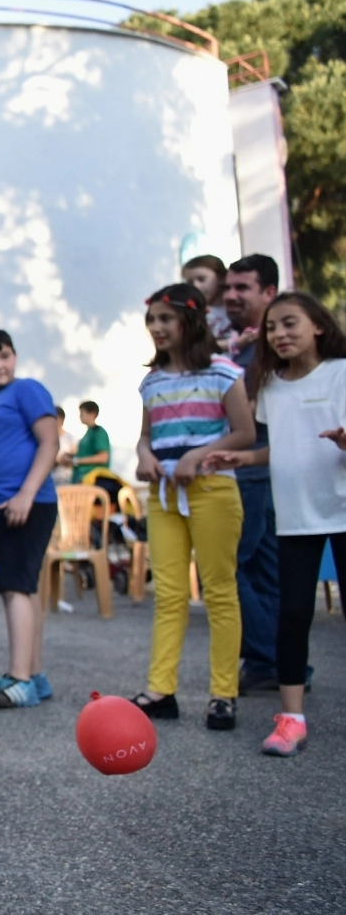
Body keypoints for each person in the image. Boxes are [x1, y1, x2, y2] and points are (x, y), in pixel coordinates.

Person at [205, 292, 346, 756]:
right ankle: (291, 719)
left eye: (290, 324)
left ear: (318, 327)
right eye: (271, 328)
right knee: (293, 616)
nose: (279, 334)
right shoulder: (269, 386)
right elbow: (282, 445)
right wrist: (243, 456)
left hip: (342, 509)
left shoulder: (341, 373)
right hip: (296, 516)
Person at [131, 283, 254, 730]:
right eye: (152, 321)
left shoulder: (223, 371)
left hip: (213, 491)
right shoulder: (152, 380)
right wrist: (144, 456)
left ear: (192, 320)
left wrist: (196, 456)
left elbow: (244, 432)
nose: (157, 328)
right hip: (163, 496)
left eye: (166, 319)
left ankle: (223, 693)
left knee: (219, 591)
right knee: (169, 595)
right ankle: (161, 689)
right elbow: (147, 436)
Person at [0, 330, 60, 708]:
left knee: (15, 588)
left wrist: (25, 493)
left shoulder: (27, 390)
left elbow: (49, 442)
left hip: (25, 503)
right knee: (22, 586)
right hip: (3, 505)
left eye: (3, 356)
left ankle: (19, 679)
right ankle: (34, 676)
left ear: (15, 356)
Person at [223, 254, 283, 693]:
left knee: (226, 566)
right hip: (253, 464)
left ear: (269, 293)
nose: (231, 295)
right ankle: (275, 661)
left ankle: (268, 656)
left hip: (254, 462)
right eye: (229, 287)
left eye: (242, 288)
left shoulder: (269, 344)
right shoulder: (236, 343)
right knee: (262, 568)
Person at [182, 254, 232, 349]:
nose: (196, 286)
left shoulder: (236, 307)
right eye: (190, 283)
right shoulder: (194, 315)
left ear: (221, 278)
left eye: (201, 279)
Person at [69, 401, 110, 483]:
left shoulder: (98, 432)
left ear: (92, 414)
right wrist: (71, 457)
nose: (80, 416)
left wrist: (76, 461)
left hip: (92, 480)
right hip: (81, 478)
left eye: (82, 413)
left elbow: (103, 457)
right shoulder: (88, 433)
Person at [52, 407, 76, 486]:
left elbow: (74, 456)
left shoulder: (70, 437)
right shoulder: (47, 439)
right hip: (52, 477)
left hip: (67, 477)